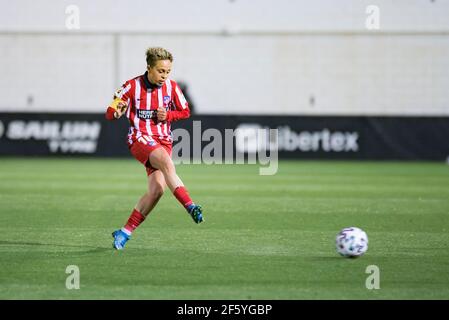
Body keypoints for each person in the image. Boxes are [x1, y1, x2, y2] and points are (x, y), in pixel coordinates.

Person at [105, 47, 204, 250]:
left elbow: (185, 111)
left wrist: (168, 116)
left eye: (167, 72)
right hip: (140, 138)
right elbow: (110, 111)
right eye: (160, 71)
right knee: (167, 164)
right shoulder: (131, 86)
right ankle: (190, 206)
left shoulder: (172, 87)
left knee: (157, 190)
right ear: (149, 68)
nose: (164, 76)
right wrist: (116, 112)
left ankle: (124, 232)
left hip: (163, 141)